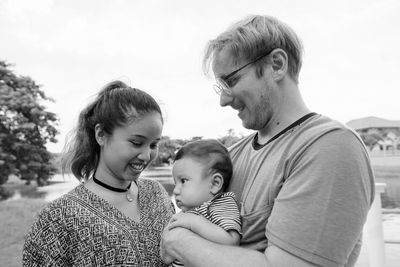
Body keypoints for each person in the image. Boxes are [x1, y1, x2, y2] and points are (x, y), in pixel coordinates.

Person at [161, 15, 375, 267]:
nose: (224, 100)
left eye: (231, 81)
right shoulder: (231, 155)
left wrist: (178, 241)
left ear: (276, 64)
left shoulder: (329, 147)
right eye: (221, 87)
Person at [23, 80, 175, 266]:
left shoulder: (157, 194)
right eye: (136, 142)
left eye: (153, 145)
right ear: (101, 134)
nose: (146, 155)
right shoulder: (59, 217)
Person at [168, 139, 242, 266]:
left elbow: (232, 242)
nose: (175, 190)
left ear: (215, 184)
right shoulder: (190, 209)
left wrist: (193, 222)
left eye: (184, 181)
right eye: (175, 183)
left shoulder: (220, 204)